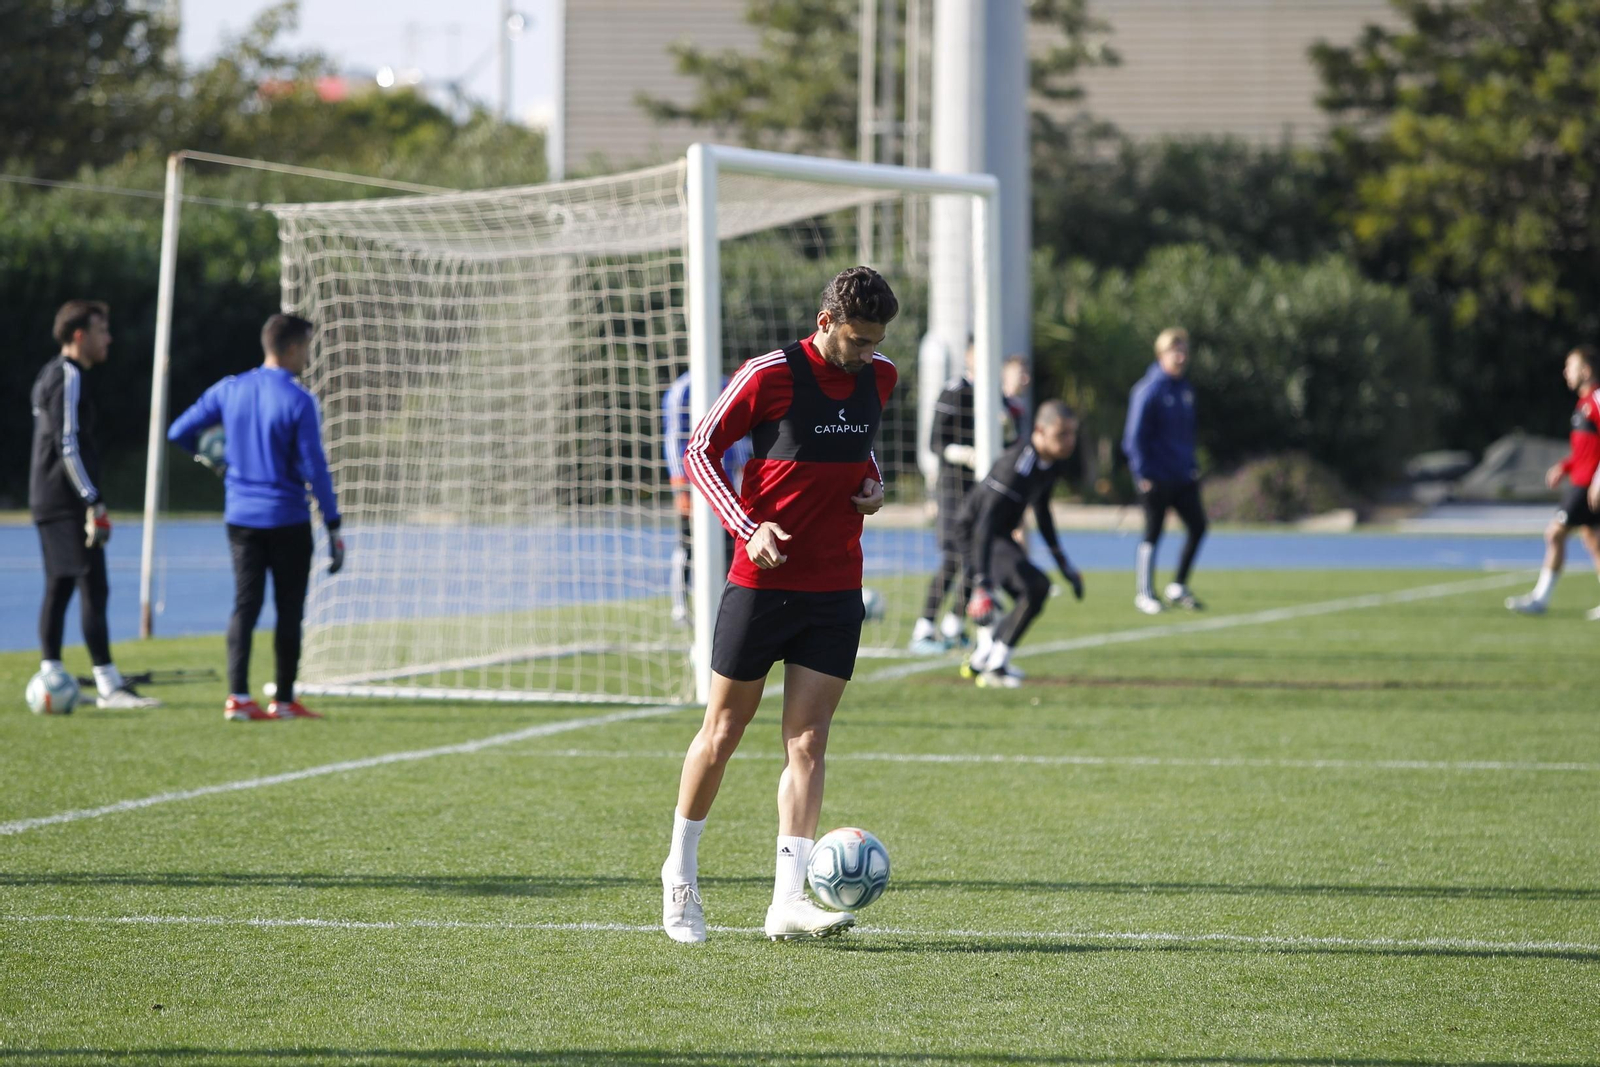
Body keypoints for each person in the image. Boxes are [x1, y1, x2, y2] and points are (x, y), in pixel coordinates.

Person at [660, 266, 899, 943]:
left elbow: (857, 447)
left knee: (809, 741)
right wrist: (747, 526)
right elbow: (700, 450)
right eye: (858, 340)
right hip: (761, 585)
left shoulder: (880, 376)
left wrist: (875, 484)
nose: (868, 354)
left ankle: (787, 901)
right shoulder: (767, 375)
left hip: (836, 587)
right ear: (826, 322)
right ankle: (679, 872)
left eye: (877, 342)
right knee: (723, 731)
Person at [168, 313, 344, 722]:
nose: (308, 357)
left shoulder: (230, 389)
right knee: (288, 609)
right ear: (293, 348)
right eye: (307, 348)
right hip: (287, 518)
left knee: (245, 606)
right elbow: (315, 467)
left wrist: (214, 457)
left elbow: (179, 431)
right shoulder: (299, 399)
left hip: (241, 518)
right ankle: (283, 699)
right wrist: (333, 522)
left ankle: (239, 697)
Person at [29, 300, 161, 710]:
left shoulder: (49, 372)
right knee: (92, 586)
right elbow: (67, 443)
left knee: (60, 586)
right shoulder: (68, 376)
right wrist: (93, 499)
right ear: (80, 335)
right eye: (102, 330)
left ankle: (52, 678)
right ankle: (108, 685)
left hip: (48, 497)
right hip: (66, 501)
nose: (109, 338)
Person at [908, 347, 1033, 655]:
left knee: (978, 557)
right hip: (954, 487)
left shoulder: (999, 399)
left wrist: (1006, 432)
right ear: (968, 356)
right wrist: (965, 454)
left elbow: (1012, 446)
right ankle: (924, 628)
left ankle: (953, 625)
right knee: (953, 556)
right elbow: (936, 442)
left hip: (985, 490)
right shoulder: (955, 391)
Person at [958, 401, 1084, 688]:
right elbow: (984, 522)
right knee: (1035, 586)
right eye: (1062, 434)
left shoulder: (1052, 462)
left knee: (1033, 592)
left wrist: (1064, 564)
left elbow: (1043, 511)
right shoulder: (1015, 466)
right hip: (976, 532)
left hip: (998, 533)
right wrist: (981, 582)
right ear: (1039, 431)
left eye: (1072, 433)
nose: (1069, 441)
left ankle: (986, 659)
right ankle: (994, 665)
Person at [1506, 344, 1600, 618]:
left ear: (1586, 370)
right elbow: (1587, 451)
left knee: (1554, 533)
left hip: (1589, 485)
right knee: (1593, 541)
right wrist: (1565, 466)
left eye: (1570, 366)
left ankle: (1540, 599)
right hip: (1583, 481)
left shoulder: (1597, 398)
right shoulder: (1583, 404)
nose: (1565, 372)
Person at [1122, 327, 1207, 615]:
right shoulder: (1149, 389)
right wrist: (1142, 473)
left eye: (1184, 351)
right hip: (1155, 476)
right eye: (1175, 351)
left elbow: (1186, 435)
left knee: (1198, 526)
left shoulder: (1185, 390)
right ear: (1161, 354)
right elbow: (1133, 437)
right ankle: (1144, 593)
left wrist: (1192, 465)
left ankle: (1178, 585)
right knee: (1153, 533)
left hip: (1182, 475)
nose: (1181, 357)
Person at [661, 370, 751, 626]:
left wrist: (744, 471)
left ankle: (726, 603)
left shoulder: (727, 384)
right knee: (687, 545)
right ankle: (680, 608)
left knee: (730, 545)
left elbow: (740, 435)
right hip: (692, 485)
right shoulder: (682, 390)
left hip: (727, 484)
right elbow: (673, 438)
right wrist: (680, 485)